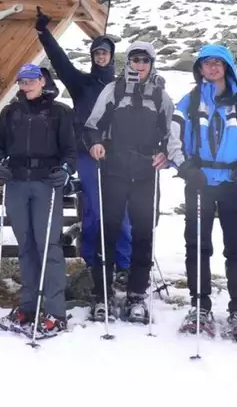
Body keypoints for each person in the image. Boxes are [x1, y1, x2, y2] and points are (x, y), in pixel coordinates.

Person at [167, 44, 237, 340]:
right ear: (199, 69)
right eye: (206, 64)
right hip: (199, 183)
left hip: (232, 184)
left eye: (217, 63)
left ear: (227, 67)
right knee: (197, 247)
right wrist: (185, 168)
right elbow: (174, 135)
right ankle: (200, 306)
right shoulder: (190, 100)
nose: (211, 68)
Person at [33, 7, 132, 278]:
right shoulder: (81, 84)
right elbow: (60, 61)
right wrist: (44, 33)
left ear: (112, 57)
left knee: (121, 210)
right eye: (97, 53)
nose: (101, 57)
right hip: (86, 154)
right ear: (93, 57)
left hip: (118, 156)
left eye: (105, 53)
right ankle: (91, 261)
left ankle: (124, 264)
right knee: (93, 210)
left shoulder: (123, 87)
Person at [84, 42, 173, 323]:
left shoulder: (161, 96)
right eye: (135, 59)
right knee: (106, 231)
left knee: (143, 234)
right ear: (128, 62)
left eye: (145, 60)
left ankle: (137, 294)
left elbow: (172, 134)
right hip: (114, 170)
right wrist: (96, 144)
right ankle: (102, 294)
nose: (139, 64)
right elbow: (91, 125)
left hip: (146, 173)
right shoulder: (113, 90)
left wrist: (166, 154)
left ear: (152, 63)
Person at [0, 63, 77, 336]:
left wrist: (64, 171)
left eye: (31, 80)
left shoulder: (60, 112)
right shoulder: (10, 112)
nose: (26, 84)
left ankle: (55, 311)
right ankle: (28, 306)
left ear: (42, 81)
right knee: (26, 246)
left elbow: (71, 152)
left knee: (48, 246)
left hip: (45, 184)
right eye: (22, 80)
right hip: (16, 182)